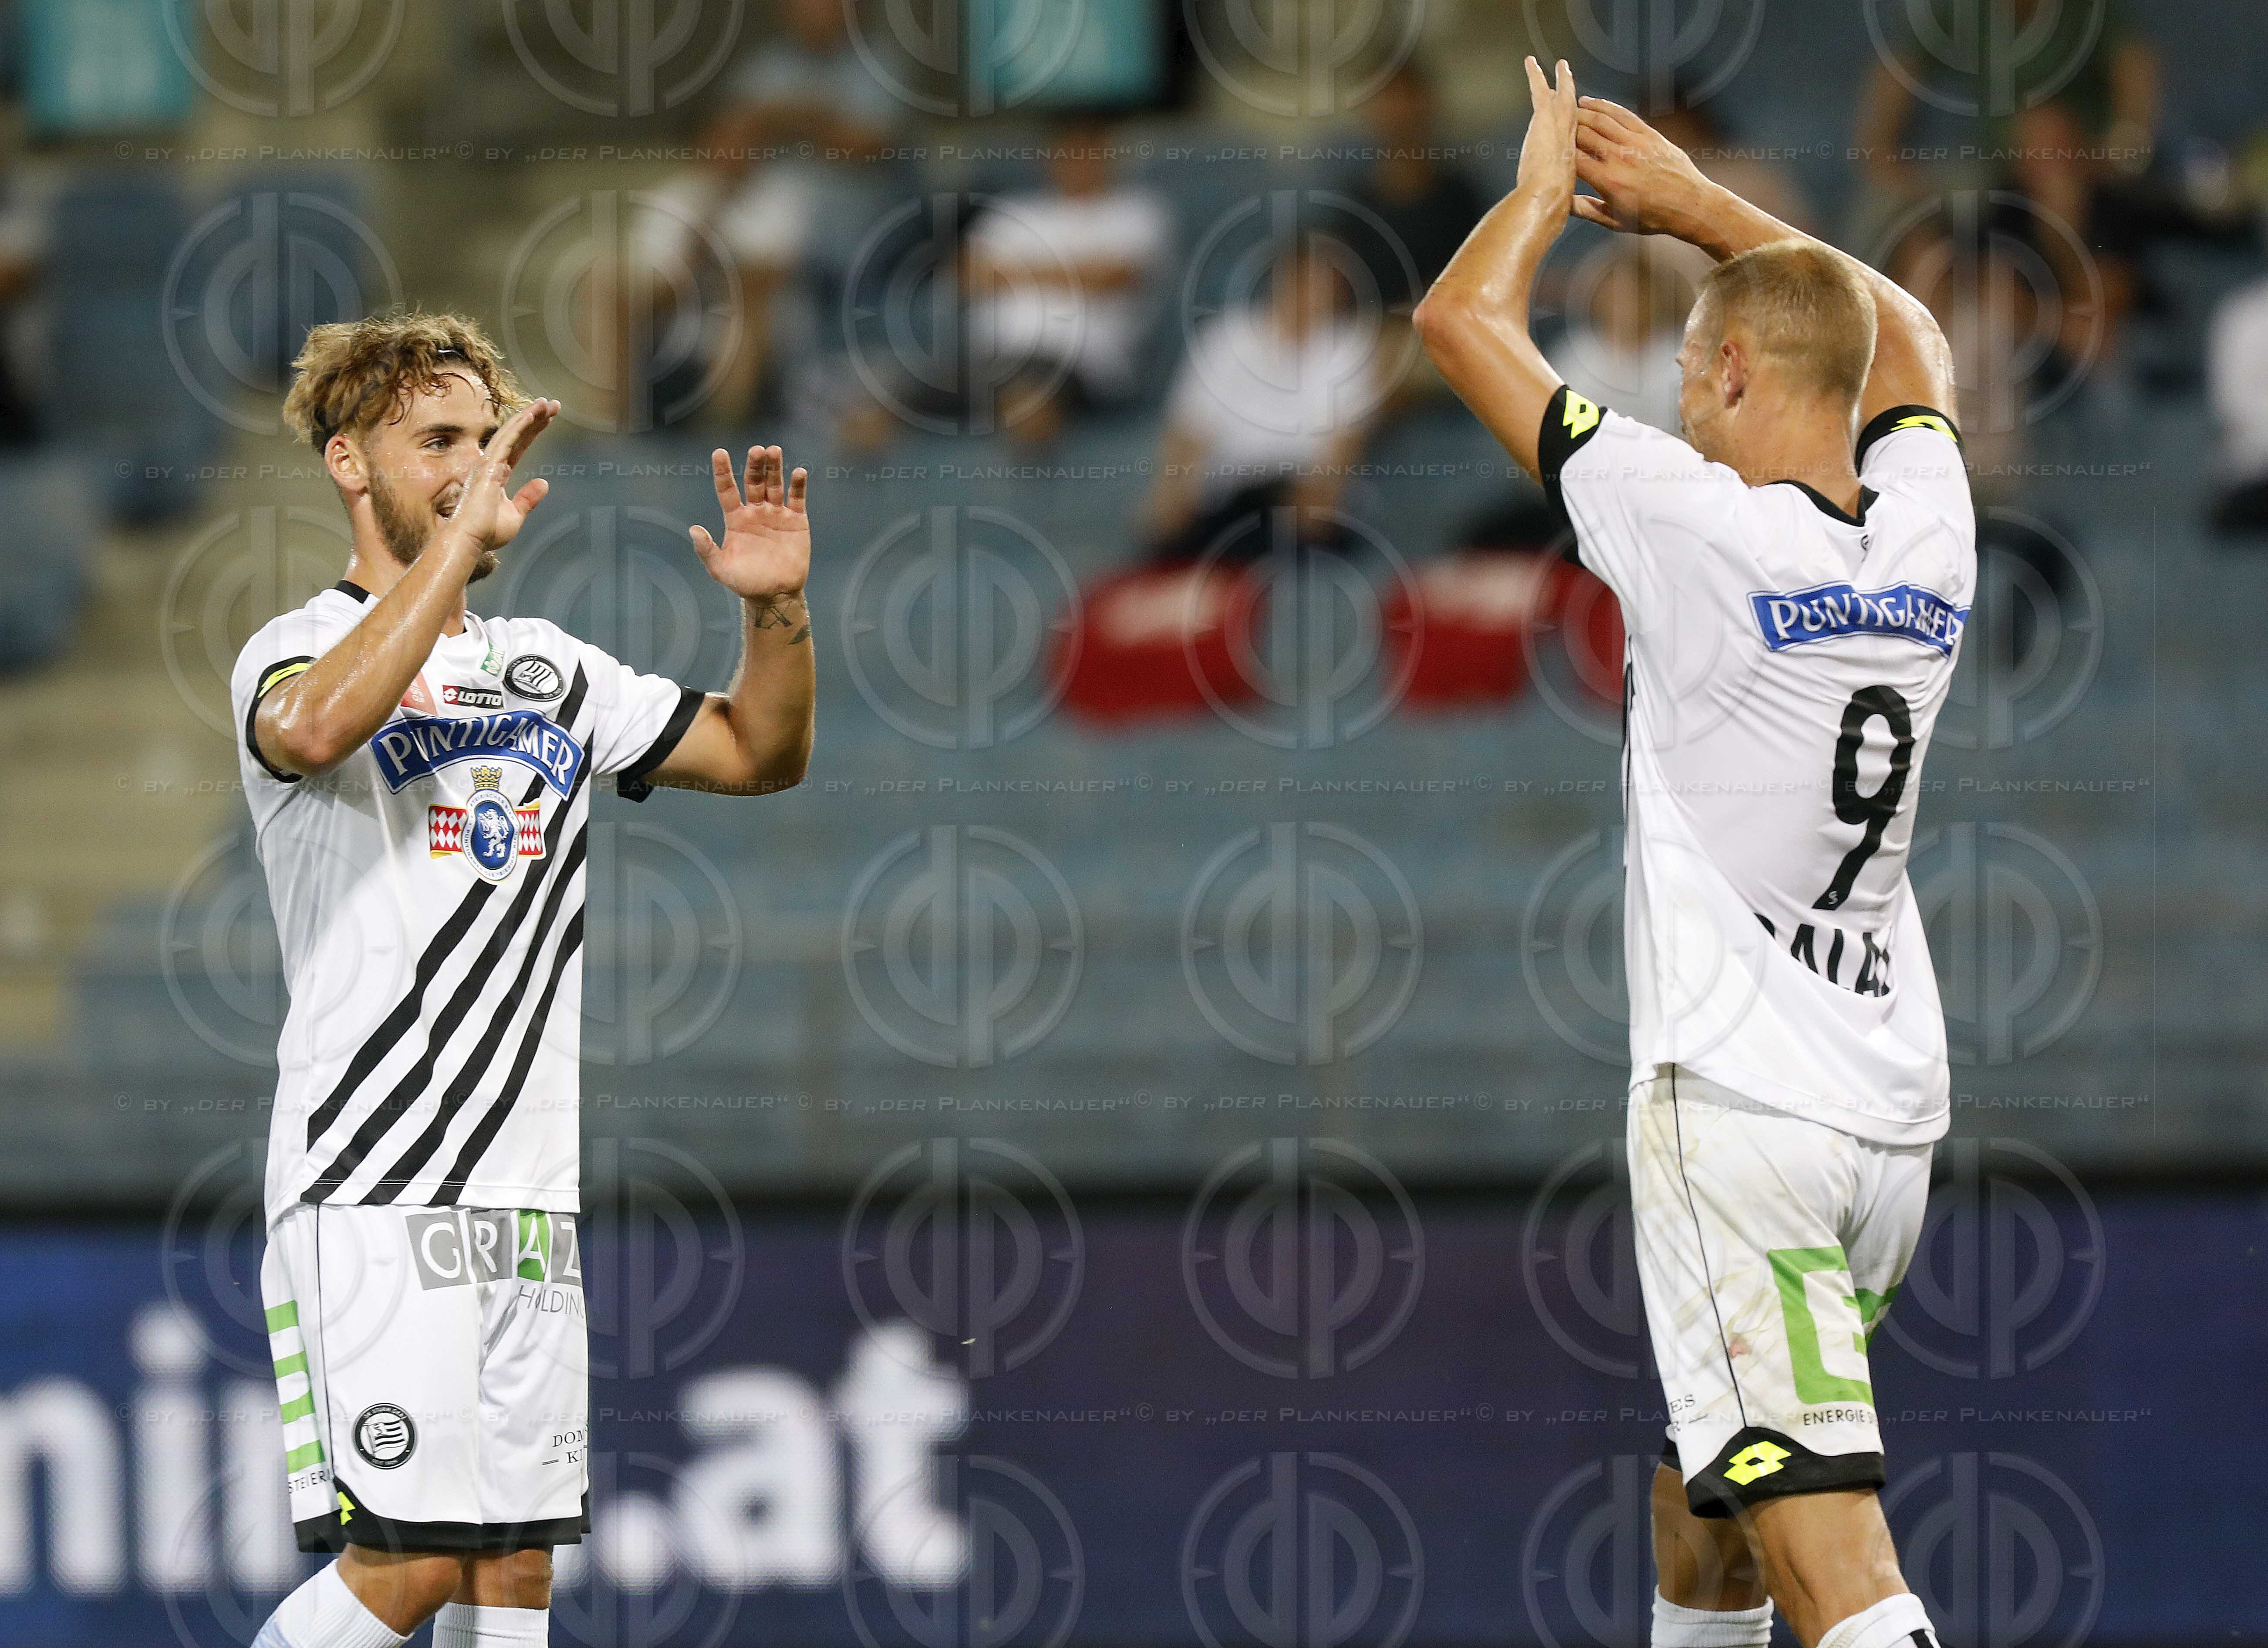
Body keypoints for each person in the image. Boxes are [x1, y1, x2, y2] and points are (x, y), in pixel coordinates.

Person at [1416, 63, 1970, 1648]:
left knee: (1833, 1566)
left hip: (1741, 1117)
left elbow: (1459, 326)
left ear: (1729, 371)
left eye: (1683, 371)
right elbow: (1908, 340)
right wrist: (1699, 208)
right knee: (1706, 1485)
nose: (1672, 404)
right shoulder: (1930, 533)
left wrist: (1540, 194)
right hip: (1883, 1132)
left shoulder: (1688, 521)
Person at [236, 313, 815, 1648]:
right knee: (413, 1567)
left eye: (479, 437)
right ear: (346, 461)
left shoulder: (548, 670)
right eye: (432, 440)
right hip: (372, 1180)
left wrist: (773, 607)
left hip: (527, 1191)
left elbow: (759, 751)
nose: (465, 463)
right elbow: (320, 726)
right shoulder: (288, 647)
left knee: (511, 1574)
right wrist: (450, 552)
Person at [1144, 231, 1378, 564]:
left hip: (1297, 493)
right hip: (1228, 495)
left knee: (1303, 543)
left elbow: (1346, 441)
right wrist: (1171, 493)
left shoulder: (1349, 346)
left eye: (1330, 282)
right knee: (1169, 548)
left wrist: (1321, 496)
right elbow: (1190, 429)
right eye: (1310, 279)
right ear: (1285, 279)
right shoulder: (1226, 337)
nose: (1320, 292)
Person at [959, 115, 1174, 444]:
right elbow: (967, 275)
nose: (1079, 164)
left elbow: (1112, 279)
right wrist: (1072, 271)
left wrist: (1013, 272)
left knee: (1030, 398)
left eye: (1090, 153)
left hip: (1086, 363)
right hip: (993, 356)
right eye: (1069, 153)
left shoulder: (1138, 211)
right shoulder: (1013, 213)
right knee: (887, 399)